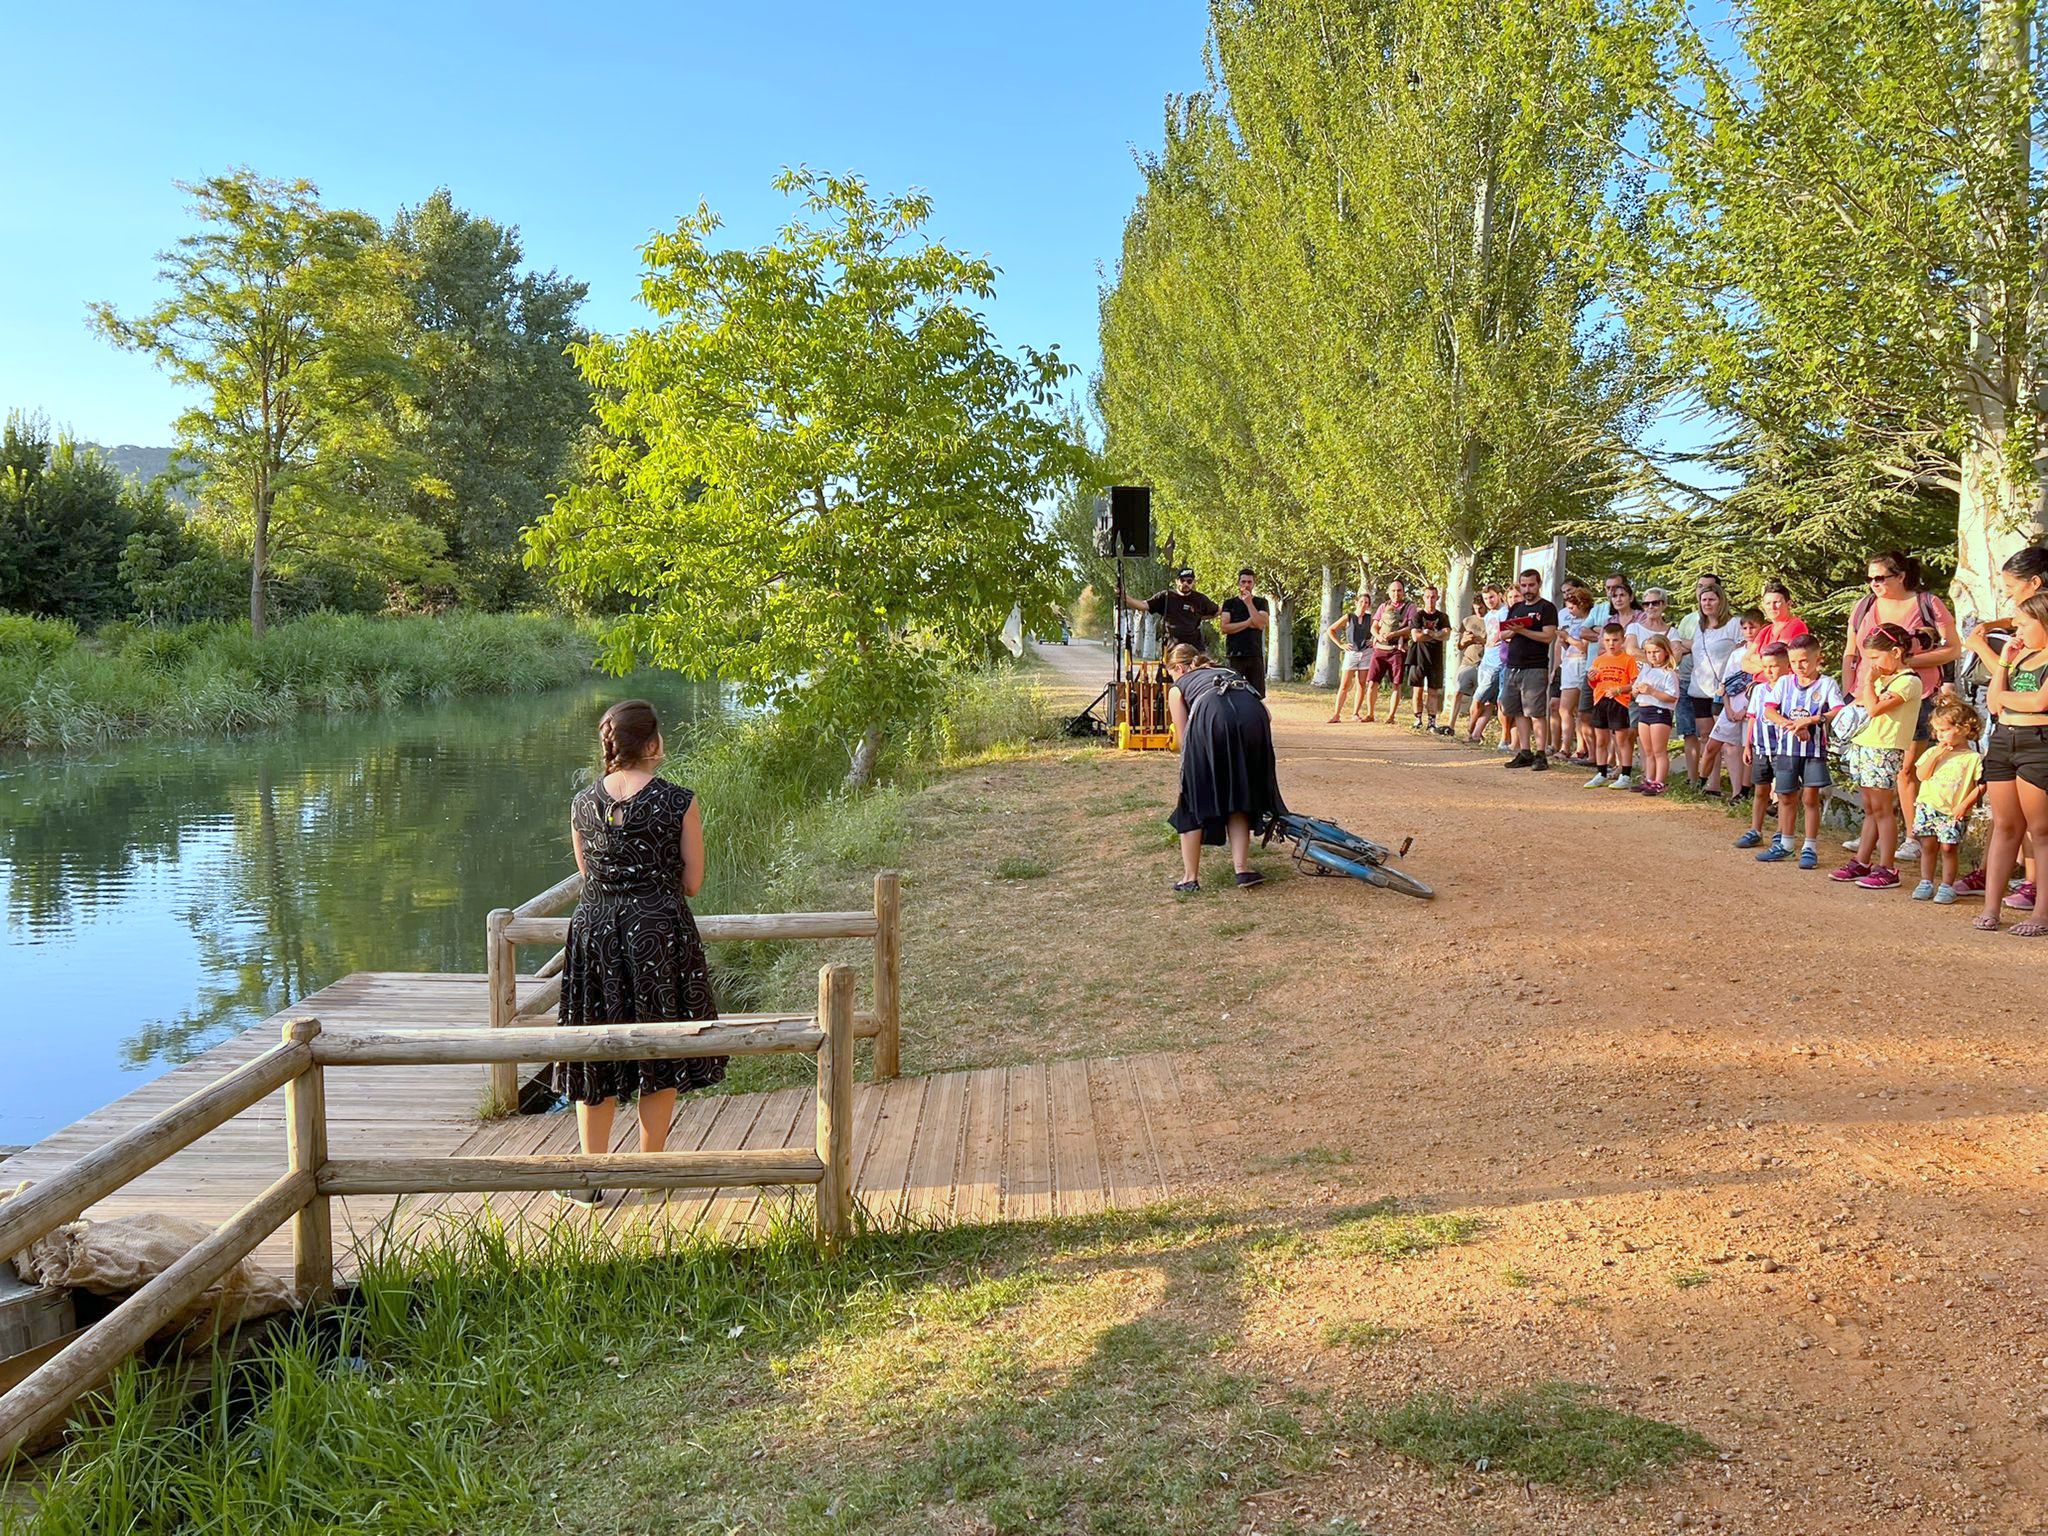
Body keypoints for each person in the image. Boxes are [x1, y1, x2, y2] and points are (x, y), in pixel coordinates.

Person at [549, 699, 723, 1207]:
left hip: (595, 934)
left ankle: (590, 1178)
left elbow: (588, 876)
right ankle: (650, 1170)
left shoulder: (581, 803)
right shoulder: (678, 801)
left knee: (593, 1049)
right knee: (658, 1047)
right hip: (657, 935)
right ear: (652, 744)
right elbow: (692, 883)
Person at [1842, 550, 1961, 860]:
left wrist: (1905, 662)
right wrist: (1849, 690)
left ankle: (1912, 836)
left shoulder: (1927, 603)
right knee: (1872, 770)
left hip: (1914, 695)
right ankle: (1876, 830)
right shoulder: (1865, 605)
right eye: (1869, 578)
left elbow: (1953, 649)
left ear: (1901, 576)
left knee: (1906, 770)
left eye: (1880, 577)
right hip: (1868, 698)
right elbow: (1850, 652)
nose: (1874, 584)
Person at [1958, 545, 2047, 904]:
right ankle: (2015, 884)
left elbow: (2026, 691)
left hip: (2036, 739)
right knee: (2011, 820)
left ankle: (2034, 886)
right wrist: (1994, 627)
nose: (2008, 597)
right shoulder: (2030, 623)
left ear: (2035, 583)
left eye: (2011, 588)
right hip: (2009, 735)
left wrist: (1981, 646)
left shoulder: (2037, 629)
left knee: (2038, 825)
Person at [1164, 643, 1286, 893]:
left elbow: (1183, 737)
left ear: (1178, 667)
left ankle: (1189, 878)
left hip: (1213, 716)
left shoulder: (1178, 688)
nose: (1172, 678)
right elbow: (1268, 715)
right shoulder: (1229, 672)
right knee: (1239, 793)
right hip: (1253, 721)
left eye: (1171, 673)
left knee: (1192, 799)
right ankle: (1242, 870)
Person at [1975, 591, 2048, 935]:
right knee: (2005, 826)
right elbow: (1992, 704)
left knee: (2041, 830)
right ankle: (1991, 907)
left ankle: (2041, 914)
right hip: (2004, 740)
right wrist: (2005, 659)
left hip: (2038, 745)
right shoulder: (2019, 656)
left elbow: (2039, 701)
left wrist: (2007, 699)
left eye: (2022, 623)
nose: (2016, 631)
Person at [1831, 624, 1922, 890]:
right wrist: (1871, 684)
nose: (1871, 664)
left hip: (1883, 749)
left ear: (1895, 652)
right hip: (1864, 745)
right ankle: (1862, 860)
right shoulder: (1883, 679)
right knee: (1870, 807)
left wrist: (1869, 682)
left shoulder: (1908, 681)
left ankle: (1887, 868)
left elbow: (1872, 708)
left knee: (1883, 810)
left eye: (1875, 658)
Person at [1757, 635, 1845, 868]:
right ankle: (1785, 844)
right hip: (1787, 748)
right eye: (1794, 662)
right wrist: (1791, 725)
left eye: (1804, 661)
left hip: (1814, 751)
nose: (1799, 667)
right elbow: (1768, 710)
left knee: (1810, 797)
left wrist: (1812, 720)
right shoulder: (1785, 683)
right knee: (1786, 796)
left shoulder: (1826, 684)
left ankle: (1810, 846)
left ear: (1818, 658)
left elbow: (1838, 709)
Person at [1911, 697, 1986, 904]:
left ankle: (1947, 886)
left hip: (1953, 810)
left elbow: (1981, 785)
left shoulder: (1972, 758)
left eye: (1944, 730)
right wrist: (1936, 754)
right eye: (1937, 731)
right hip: (1928, 806)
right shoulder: (1932, 752)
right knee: (1928, 845)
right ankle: (1926, 881)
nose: (1939, 735)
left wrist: (1965, 804)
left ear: (1962, 728)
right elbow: (1921, 775)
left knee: (1948, 847)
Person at [1676, 579, 1742, 791]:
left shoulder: (1733, 624)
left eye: (1711, 599)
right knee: (1706, 737)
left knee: (1727, 740)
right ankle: (1711, 785)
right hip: (1699, 689)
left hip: (1724, 691)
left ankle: (1737, 788)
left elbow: (1741, 654)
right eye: (1704, 600)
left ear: (1720, 601)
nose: (1707, 603)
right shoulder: (1699, 627)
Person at [1499, 568, 1560, 771]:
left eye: (1531, 585)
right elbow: (1504, 633)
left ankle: (1541, 754)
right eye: (1524, 585)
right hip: (1512, 665)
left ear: (1539, 584)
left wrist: (1522, 630)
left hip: (1535, 666)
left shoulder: (1547, 608)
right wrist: (1513, 631)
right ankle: (1525, 751)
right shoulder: (1515, 607)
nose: (1527, 589)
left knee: (1536, 712)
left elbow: (1548, 636)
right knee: (1516, 710)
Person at [1735, 641, 1793, 849]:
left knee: (1783, 794)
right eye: (1766, 666)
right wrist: (1747, 745)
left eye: (1774, 666)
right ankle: (1755, 830)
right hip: (1761, 747)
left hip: (1784, 749)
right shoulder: (1759, 690)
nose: (1769, 671)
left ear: (1787, 666)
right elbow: (1753, 718)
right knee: (1761, 790)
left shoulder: (1791, 689)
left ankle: (1781, 833)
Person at [1707, 609, 1765, 813]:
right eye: (1745, 627)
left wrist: (1747, 710)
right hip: (1732, 707)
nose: (1749, 631)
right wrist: (1729, 707)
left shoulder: (1765, 653)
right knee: (1730, 748)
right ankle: (1735, 790)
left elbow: (1761, 684)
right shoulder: (1737, 653)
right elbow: (1726, 684)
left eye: (1753, 627)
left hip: (1752, 709)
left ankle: (1747, 790)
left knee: (1747, 747)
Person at [1583, 622, 1639, 789]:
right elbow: (1594, 683)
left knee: (1622, 740)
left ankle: (1626, 774)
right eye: (1607, 640)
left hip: (1619, 701)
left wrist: (1620, 689)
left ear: (1622, 640)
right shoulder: (1599, 660)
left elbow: (1635, 683)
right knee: (1601, 739)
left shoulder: (1628, 660)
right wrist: (1591, 678)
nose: (1611, 644)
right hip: (1601, 700)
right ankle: (1601, 772)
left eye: (1615, 640)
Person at [1125, 567, 1219, 653]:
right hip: (1172, 648)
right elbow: (1143, 605)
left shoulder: (1200, 599)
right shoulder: (1166, 596)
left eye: (1189, 581)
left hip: (1195, 648)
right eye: (1182, 580)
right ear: (1177, 581)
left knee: (1199, 670)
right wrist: (1125, 597)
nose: (1185, 584)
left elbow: (1217, 610)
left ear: (1193, 582)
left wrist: (1200, 617)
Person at [1363, 578, 1417, 723]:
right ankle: (1370, 713)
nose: (1396, 593)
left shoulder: (1410, 607)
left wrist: (1394, 634)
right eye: (1393, 590)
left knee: (1396, 683)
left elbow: (1411, 627)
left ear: (1403, 592)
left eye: (1399, 590)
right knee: (1372, 681)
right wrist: (1377, 635)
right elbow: (1374, 626)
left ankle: (1391, 716)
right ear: (1388, 592)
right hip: (1380, 649)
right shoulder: (1383, 606)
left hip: (1397, 650)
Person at [1631, 634, 1680, 795]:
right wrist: (1636, 690)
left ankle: (1659, 781)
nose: (1652, 656)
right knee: (1648, 750)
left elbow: (1672, 697)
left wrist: (1652, 691)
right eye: (1649, 652)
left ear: (1665, 652)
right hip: (1644, 710)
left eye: (1656, 652)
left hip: (1659, 712)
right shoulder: (1645, 670)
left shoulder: (1668, 673)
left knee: (1659, 750)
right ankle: (1649, 779)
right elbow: (1634, 691)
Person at [1556, 584, 1599, 764]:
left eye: (1572, 607)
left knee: (1566, 709)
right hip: (1569, 664)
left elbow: (1583, 647)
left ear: (1581, 604)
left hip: (1580, 665)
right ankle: (1581, 747)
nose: (1569, 610)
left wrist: (1567, 638)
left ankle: (1566, 747)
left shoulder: (1589, 622)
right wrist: (1564, 642)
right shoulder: (1575, 621)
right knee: (1576, 711)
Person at [1464, 584, 1510, 745]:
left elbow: (1506, 636)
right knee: (1489, 702)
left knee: (1478, 699)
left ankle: (1468, 732)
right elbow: (1490, 638)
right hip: (1486, 660)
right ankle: (1476, 735)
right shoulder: (1489, 615)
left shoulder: (1505, 613)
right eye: (1486, 598)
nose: (1489, 601)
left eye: (1492, 597)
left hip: (1498, 663)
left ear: (1499, 595)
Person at [1218, 566, 1271, 697]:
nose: (1246, 585)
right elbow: (1225, 628)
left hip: (1254, 654)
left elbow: (1260, 624)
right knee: (1233, 693)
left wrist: (1249, 604)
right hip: (1235, 655)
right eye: (1243, 582)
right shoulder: (1229, 603)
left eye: (1249, 582)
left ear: (1253, 584)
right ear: (1238, 583)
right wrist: (1248, 623)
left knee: (1257, 694)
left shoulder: (1261, 602)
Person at [1404, 585, 1451, 732]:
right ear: (1423, 598)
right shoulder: (1417, 616)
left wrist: (1429, 633)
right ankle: (1417, 719)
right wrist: (1436, 634)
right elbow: (1415, 637)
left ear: (1437, 597)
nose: (1430, 599)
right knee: (1417, 691)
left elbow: (1447, 635)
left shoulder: (1443, 617)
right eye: (1428, 596)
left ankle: (1432, 722)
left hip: (1435, 658)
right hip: (1418, 657)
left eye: (1433, 596)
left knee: (1433, 692)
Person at [1326, 591, 1376, 723]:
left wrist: (1374, 640)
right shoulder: (1348, 617)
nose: (1363, 604)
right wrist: (1340, 644)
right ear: (1356, 602)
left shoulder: (1370, 618)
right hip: (1351, 652)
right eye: (1361, 602)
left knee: (1361, 684)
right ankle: (1336, 714)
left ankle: (1355, 713)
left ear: (1369, 605)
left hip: (1366, 653)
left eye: (1366, 602)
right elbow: (1330, 630)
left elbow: (1379, 630)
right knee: (1344, 685)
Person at [1447, 594, 1490, 740]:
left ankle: (1474, 731)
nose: (1479, 611)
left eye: (1482, 608)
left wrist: (1479, 640)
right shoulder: (1467, 621)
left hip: (1484, 664)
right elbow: (1459, 645)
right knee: (1458, 692)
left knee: (1480, 700)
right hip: (1467, 662)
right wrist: (1465, 641)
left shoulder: (1492, 620)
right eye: (1476, 608)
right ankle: (1450, 726)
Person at [1756, 579, 1809, 652]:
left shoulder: (1795, 625)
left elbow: (1778, 656)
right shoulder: (1765, 631)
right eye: (1768, 603)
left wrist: (1755, 659)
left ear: (1789, 604)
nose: (1772, 607)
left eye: (1776, 602)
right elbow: (1745, 659)